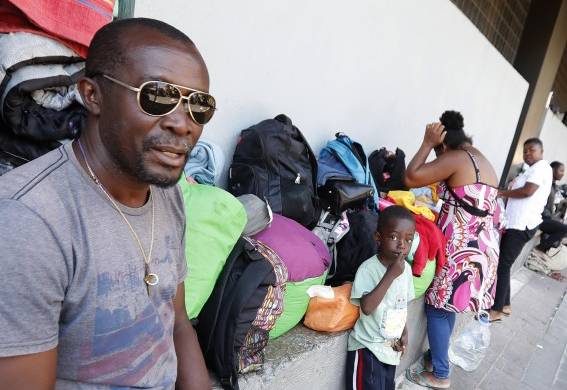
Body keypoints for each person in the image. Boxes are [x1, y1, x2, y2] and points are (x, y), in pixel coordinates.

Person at [0, 18, 216, 389]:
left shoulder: (167, 194)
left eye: (200, 106)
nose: (184, 125)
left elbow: (177, 321)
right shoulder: (28, 223)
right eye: (158, 96)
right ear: (92, 94)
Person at [403, 111, 500, 389]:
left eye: (437, 150)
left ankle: (441, 375)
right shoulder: (478, 156)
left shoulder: (455, 157)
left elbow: (411, 177)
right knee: (450, 304)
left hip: (462, 246)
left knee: (436, 307)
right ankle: (436, 358)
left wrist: (425, 142)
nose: (436, 156)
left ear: (443, 143)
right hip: (482, 246)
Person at [346, 205, 416, 390]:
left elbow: (400, 307)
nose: (402, 245)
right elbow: (367, 307)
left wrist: (404, 332)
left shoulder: (406, 271)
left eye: (408, 240)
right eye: (394, 237)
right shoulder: (368, 269)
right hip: (367, 349)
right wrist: (391, 275)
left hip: (390, 351)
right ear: (378, 238)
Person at [490, 138, 553, 321]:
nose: (527, 154)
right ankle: (506, 305)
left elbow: (527, 191)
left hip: (521, 225)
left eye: (531, 150)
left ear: (541, 151)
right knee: (505, 264)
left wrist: (502, 192)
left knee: (502, 265)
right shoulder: (531, 170)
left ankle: (496, 310)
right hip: (516, 223)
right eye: (525, 151)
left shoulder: (541, 168)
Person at [535, 161, 567, 253]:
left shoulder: (553, 185)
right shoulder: (545, 183)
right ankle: (540, 248)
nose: (562, 174)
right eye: (561, 170)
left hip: (546, 217)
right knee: (564, 229)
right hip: (539, 218)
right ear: (552, 169)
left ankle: (545, 248)